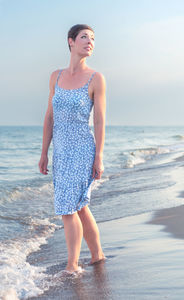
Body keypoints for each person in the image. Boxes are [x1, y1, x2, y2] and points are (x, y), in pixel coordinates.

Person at [38, 24, 106, 274]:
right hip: (61, 152)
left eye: (93, 39)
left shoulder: (96, 78)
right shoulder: (55, 76)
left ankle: (72, 264)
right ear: (71, 42)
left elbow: (99, 121)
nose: (90, 42)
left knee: (68, 207)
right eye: (84, 37)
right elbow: (49, 117)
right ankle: (97, 254)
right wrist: (44, 152)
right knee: (78, 206)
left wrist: (98, 156)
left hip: (82, 150)